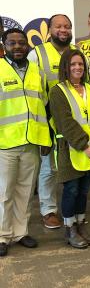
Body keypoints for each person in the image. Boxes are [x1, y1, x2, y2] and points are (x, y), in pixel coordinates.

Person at [0, 28, 51, 257]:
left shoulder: (36, 71)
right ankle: (3, 235)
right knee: (4, 192)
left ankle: (20, 232)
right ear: (4, 45)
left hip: (32, 141)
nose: (18, 46)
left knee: (25, 191)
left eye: (21, 42)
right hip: (5, 143)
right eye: (12, 43)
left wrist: (45, 138)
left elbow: (42, 104)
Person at [49, 49, 90, 249]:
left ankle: (81, 224)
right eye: (73, 64)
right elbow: (66, 123)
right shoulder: (58, 91)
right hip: (71, 150)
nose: (77, 67)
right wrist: (86, 147)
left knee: (84, 191)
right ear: (66, 67)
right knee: (71, 190)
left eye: (80, 64)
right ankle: (70, 228)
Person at [28, 14, 75, 229]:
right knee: (48, 167)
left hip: (73, 119)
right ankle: (48, 210)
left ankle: (71, 208)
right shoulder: (36, 54)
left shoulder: (76, 53)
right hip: (47, 118)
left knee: (72, 165)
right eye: (59, 26)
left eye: (67, 26)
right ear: (50, 30)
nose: (63, 30)